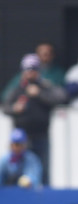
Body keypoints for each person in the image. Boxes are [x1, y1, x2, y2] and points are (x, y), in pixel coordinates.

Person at [3, 53, 67, 184]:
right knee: (18, 172)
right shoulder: (17, 89)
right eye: (28, 70)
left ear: (38, 71)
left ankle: (43, 200)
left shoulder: (45, 86)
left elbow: (60, 98)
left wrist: (39, 94)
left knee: (42, 170)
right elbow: (5, 107)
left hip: (41, 136)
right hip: (21, 138)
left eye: (33, 70)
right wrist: (15, 108)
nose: (30, 73)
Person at [1, 41, 65, 102]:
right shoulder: (22, 77)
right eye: (41, 54)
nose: (31, 72)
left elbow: (62, 96)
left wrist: (40, 92)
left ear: (52, 55)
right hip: (25, 110)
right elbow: (6, 96)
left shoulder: (58, 73)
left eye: (46, 54)